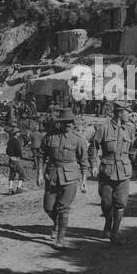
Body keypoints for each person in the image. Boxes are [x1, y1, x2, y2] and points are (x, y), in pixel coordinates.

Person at [87, 100, 137, 245]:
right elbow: (93, 147)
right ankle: (108, 222)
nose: (130, 114)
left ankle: (114, 234)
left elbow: (134, 146)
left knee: (121, 203)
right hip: (107, 170)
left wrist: (133, 160)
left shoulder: (130, 129)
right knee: (106, 203)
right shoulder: (103, 128)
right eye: (128, 111)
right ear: (121, 113)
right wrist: (94, 165)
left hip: (124, 170)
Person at [41, 107, 88, 250]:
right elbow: (41, 156)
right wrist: (39, 173)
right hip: (52, 174)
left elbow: (83, 162)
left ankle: (60, 239)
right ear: (59, 123)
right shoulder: (50, 137)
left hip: (71, 177)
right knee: (48, 207)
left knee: (63, 208)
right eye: (65, 122)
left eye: (71, 122)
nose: (69, 125)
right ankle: (56, 223)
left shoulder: (77, 140)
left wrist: (84, 180)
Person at [5, 127, 25, 193]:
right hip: (16, 159)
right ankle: (18, 188)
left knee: (12, 174)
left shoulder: (10, 140)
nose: (19, 133)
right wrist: (20, 156)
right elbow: (18, 150)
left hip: (11, 159)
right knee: (22, 173)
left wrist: (10, 156)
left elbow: (7, 150)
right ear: (16, 134)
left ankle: (10, 189)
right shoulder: (16, 141)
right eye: (18, 132)